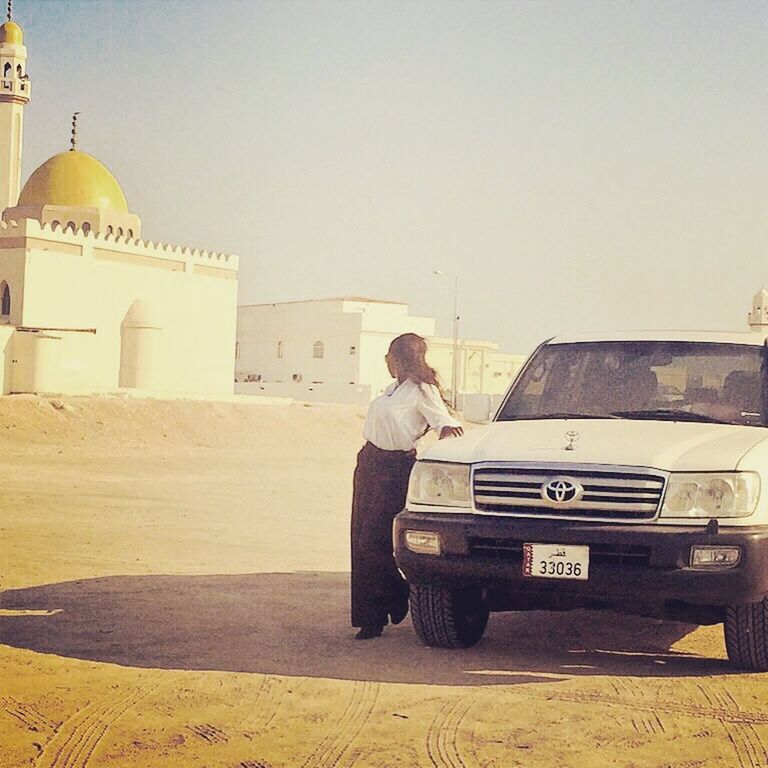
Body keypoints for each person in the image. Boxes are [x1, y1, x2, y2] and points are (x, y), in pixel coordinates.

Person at [351, 333, 463, 640]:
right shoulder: (392, 389)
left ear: (400, 358)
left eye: (389, 356)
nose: (386, 361)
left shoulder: (422, 390)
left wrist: (451, 458)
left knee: (373, 541)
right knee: (360, 539)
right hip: (369, 464)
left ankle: (397, 593)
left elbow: (447, 426)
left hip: (395, 468)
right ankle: (371, 618)